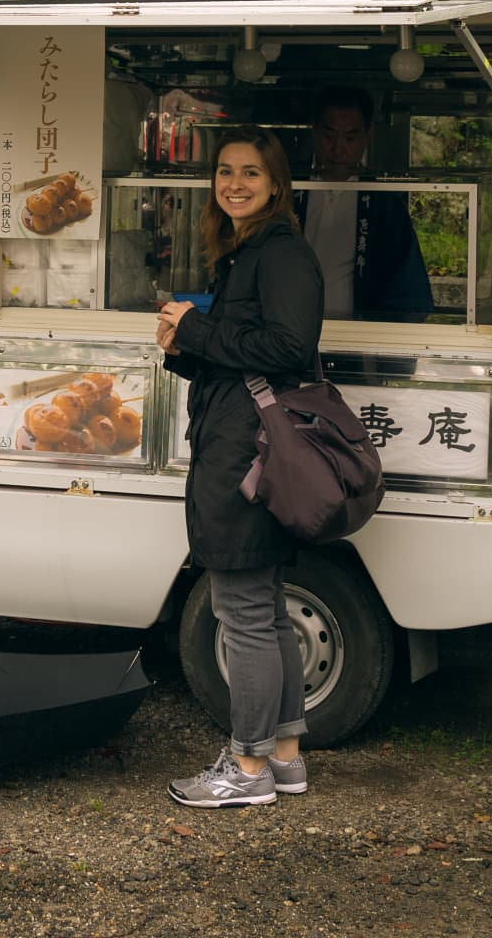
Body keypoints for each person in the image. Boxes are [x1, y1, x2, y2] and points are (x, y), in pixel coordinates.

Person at [157, 126, 323, 809]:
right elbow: (246, 351)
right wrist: (184, 344)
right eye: (225, 171)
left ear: (276, 184)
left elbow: (289, 346)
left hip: (248, 452)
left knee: (244, 613)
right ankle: (285, 757)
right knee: (268, 612)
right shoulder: (244, 252)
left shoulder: (281, 254)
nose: (235, 183)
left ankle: (247, 768)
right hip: (247, 441)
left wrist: (197, 331)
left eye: (250, 173)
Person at [293, 86, 433, 321]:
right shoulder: (287, 190)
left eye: (350, 137)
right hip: (288, 335)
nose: (338, 149)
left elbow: (409, 291)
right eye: (329, 135)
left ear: (368, 135)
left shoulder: (384, 203)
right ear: (314, 131)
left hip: (359, 339)